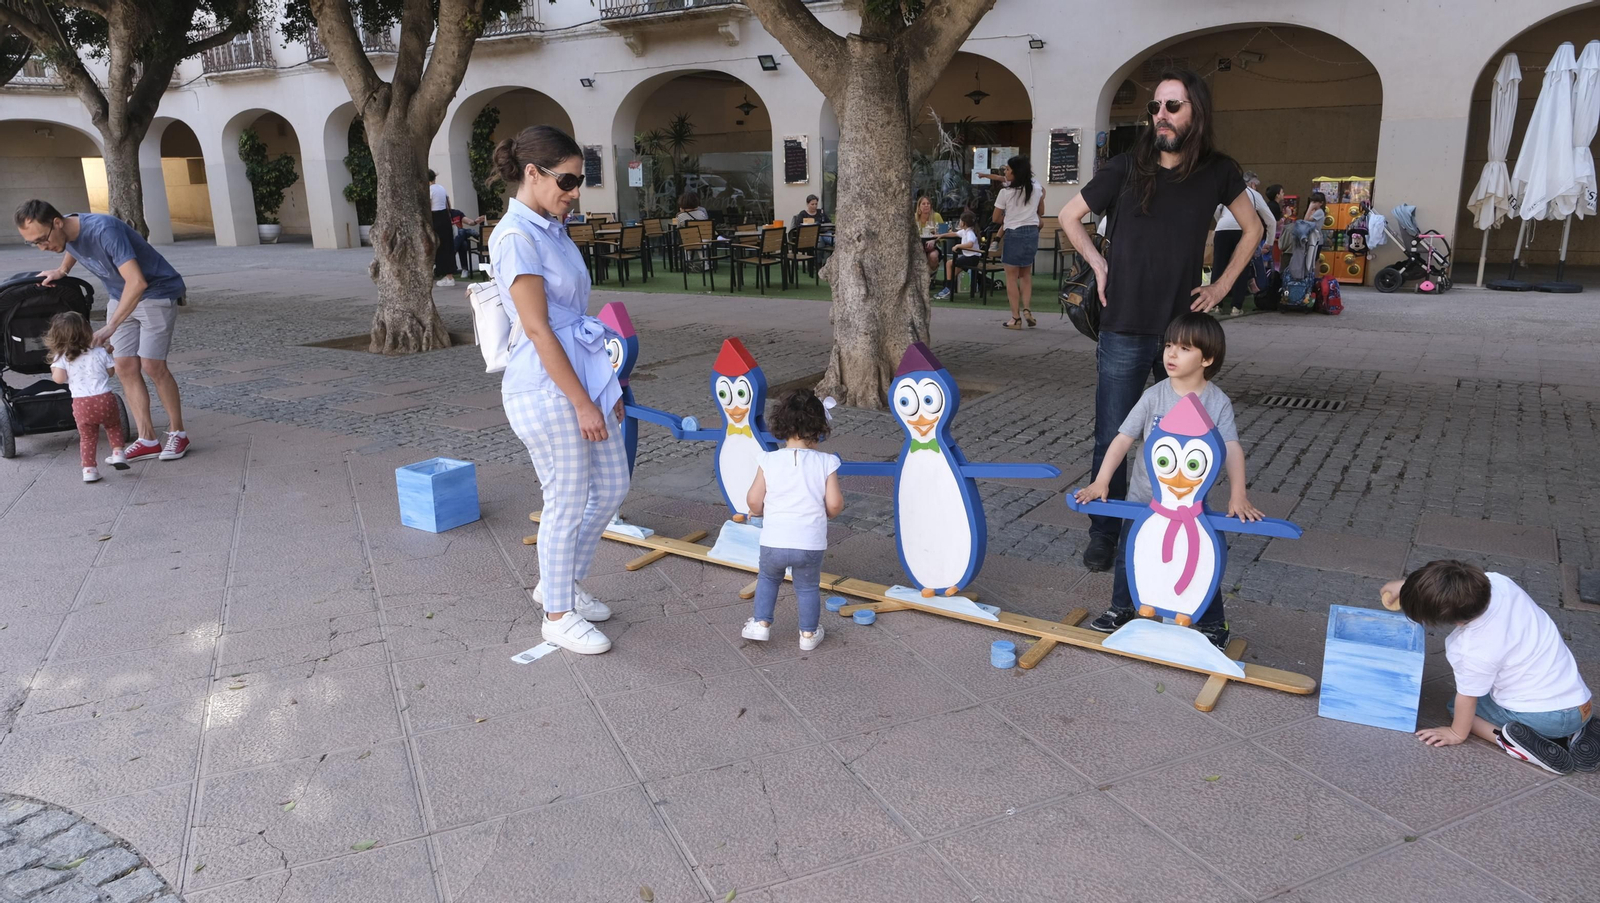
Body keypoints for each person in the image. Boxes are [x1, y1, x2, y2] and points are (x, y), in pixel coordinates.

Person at [1057, 67, 1260, 574]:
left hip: (1182, 331)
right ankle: (1105, 531)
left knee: (1187, 434)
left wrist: (1221, 285)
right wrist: (1099, 263)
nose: (1161, 116)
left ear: (1196, 112)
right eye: (1155, 108)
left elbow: (1254, 228)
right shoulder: (1127, 166)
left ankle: (1175, 520)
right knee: (1114, 437)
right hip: (1122, 324)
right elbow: (1068, 216)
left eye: (1173, 106)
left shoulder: (1218, 171)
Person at [489, 125, 629, 656]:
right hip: (546, 389)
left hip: (578, 377)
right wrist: (580, 400)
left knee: (611, 486)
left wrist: (602, 388)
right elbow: (538, 329)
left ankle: (559, 583)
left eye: (579, 181)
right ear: (533, 174)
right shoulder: (517, 236)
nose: (574, 192)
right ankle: (557, 614)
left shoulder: (550, 227)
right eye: (567, 180)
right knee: (565, 502)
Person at [1073, 312, 1261, 648]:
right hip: (1144, 500)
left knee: (1203, 558)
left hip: (1191, 507)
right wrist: (1102, 481)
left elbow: (1232, 449)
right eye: (1170, 345)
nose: (1171, 354)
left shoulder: (1216, 403)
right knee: (1129, 553)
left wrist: (1238, 495)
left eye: (1184, 348)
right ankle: (1122, 608)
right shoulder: (1154, 396)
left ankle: (1212, 623)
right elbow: (1121, 440)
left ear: (1207, 358)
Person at [16, 200, 192, 463]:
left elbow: (138, 281)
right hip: (120, 295)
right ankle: (148, 439)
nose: (43, 247)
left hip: (156, 291)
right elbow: (72, 244)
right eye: (34, 243)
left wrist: (112, 325)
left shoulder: (104, 231)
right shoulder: (64, 230)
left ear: (57, 223)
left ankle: (179, 434)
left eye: (42, 239)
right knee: (123, 366)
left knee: (153, 365)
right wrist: (63, 269)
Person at [1384, 560, 1599, 775]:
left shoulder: (1469, 649)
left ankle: (1509, 740)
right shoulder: (1501, 583)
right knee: (1552, 705)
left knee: (1455, 707)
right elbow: (1450, 588)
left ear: (1455, 621)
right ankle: (1574, 732)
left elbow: (1467, 698)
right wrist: (1408, 587)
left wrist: (1456, 733)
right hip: (1581, 704)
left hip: (1541, 717)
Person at [741, 389, 844, 651]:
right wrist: (826, 515)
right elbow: (834, 503)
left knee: (767, 579)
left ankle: (761, 625)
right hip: (809, 542)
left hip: (774, 541)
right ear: (820, 428)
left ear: (782, 426)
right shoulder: (827, 462)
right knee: (808, 587)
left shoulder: (769, 459)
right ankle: (808, 635)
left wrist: (760, 511)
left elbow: (753, 499)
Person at [45, 311, 125, 483]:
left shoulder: (62, 356)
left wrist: (55, 368)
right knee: (113, 425)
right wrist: (107, 353)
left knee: (88, 437)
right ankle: (118, 453)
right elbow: (111, 372)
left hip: (82, 404)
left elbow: (58, 379)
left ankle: (89, 469)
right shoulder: (98, 351)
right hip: (105, 398)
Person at [1212, 169, 1276, 316]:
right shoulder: (1253, 194)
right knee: (1241, 267)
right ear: (1253, 184)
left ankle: (1216, 305)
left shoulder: (1227, 191)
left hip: (1222, 230)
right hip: (1243, 230)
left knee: (1218, 267)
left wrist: (1221, 223)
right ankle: (1236, 306)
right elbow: (1270, 220)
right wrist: (1269, 242)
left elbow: (1216, 210)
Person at [992, 155, 1045, 329]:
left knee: (1011, 277)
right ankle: (1027, 309)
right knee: (1026, 275)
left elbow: (996, 218)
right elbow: (1041, 212)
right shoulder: (1036, 188)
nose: (1005, 172)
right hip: (1032, 233)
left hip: (1014, 234)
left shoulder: (1005, 192)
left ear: (1014, 172)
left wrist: (1010, 218)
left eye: (1007, 169)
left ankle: (1015, 318)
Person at [934, 211, 982, 300]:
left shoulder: (970, 233)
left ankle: (948, 288)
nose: (959, 222)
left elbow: (970, 244)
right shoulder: (964, 231)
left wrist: (958, 245)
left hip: (972, 258)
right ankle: (948, 288)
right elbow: (954, 233)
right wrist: (941, 235)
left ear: (964, 223)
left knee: (949, 263)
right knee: (953, 272)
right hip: (967, 257)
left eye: (960, 220)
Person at [429, 170, 454, 287]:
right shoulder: (441, 188)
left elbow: (428, 206)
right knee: (447, 245)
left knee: (439, 246)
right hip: (445, 217)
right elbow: (448, 205)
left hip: (436, 217)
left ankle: (446, 275)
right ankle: (448, 274)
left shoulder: (429, 190)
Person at [451, 209, 487, 277]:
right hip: (449, 239)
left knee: (462, 238)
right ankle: (465, 269)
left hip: (459, 239)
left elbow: (470, 222)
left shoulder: (456, 213)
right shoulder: (443, 215)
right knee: (462, 237)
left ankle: (453, 256)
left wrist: (475, 221)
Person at [914, 195, 944, 274]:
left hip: (933, 245)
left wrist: (934, 240)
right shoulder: (914, 217)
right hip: (917, 245)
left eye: (928, 203)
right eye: (923, 204)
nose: (926, 205)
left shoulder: (936, 216)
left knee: (933, 256)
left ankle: (930, 276)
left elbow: (944, 234)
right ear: (919, 206)